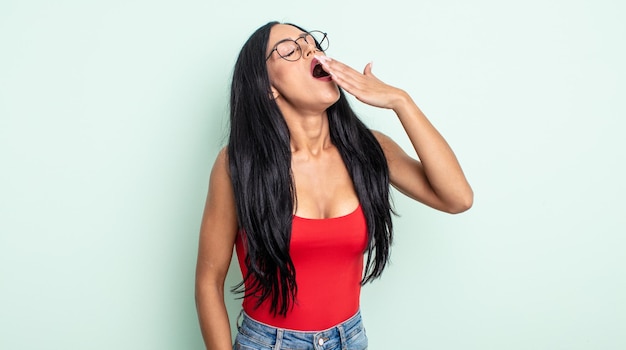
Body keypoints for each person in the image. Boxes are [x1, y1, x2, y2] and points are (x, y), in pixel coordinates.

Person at [195, 21, 473, 350]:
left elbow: (458, 198)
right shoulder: (239, 164)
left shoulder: (369, 149)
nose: (311, 50)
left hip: (350, 339)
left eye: (313, 44)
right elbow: (208, 280)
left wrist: (400, 101)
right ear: (267, 85)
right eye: (291, 49)